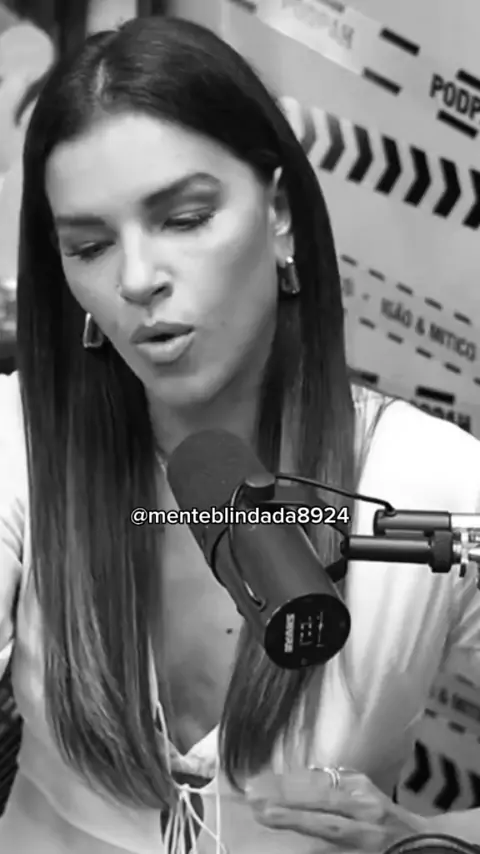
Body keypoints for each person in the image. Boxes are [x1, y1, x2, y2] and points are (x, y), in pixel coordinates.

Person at [0, 14, 480, 854]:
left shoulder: (428, 480)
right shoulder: (17, 441)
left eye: (185, 219)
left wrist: (432, 841)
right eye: (91, 245)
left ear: (280, 213)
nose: (137, 279)